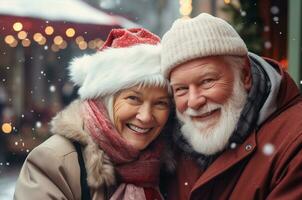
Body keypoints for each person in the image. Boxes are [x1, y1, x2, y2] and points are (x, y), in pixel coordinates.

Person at [14, 28, 173, 200]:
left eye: (160, 103)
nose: (146, 116)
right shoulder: (54, 161)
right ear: (104, 100)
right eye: (133, 98)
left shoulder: (169, 162)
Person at [160, 13, 302, 199]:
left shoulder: (294, 142)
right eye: (181, 89)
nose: (194, 101)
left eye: (207, 81)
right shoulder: (167, 148)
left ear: (245, 75)